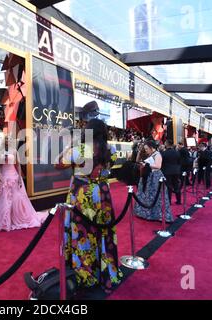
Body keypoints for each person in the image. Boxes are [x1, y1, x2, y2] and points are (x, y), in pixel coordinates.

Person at [55, 118, 123, 294]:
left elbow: (57, 163)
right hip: (103, 193)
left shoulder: (79, 150)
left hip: (82, 195)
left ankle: (86, 274)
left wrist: (69, 145)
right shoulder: (111, 149)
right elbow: (110, 165)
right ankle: (106, 270)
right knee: (103, 231)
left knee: (83, 233)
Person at [0, 136, 48, 231]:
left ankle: (15, 219)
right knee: (1, 198)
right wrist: (2, 159)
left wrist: (20, 177)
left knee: (16, 198)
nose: (8, 141)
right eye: (6, 139)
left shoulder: (14, 151)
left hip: (13, 175)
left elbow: (18, 164)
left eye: (9, 139)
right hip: (2, 176)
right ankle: (2, 221)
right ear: (4, 141)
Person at [134, 140, 173, 222]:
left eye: (147, 149)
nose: (146, 151)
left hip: (155, 178)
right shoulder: (152, 154)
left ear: (152, 148)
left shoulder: (157, 154)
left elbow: (158, 166)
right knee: (149, 196)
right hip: (149, 177)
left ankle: (156, 215)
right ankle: (148, 214)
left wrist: (146, 165)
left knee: (156, 196)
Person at [161, 140, 182, 205]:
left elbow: (162, 163)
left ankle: (169, 201)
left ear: (167, 144)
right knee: (176, 186)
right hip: (176, 171)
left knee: (168, 187)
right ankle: (179, 200)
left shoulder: (164, 153)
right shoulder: (177, 152)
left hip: (167, 172)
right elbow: (179, 162)